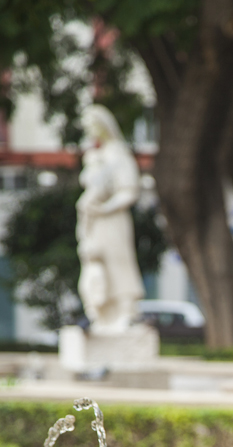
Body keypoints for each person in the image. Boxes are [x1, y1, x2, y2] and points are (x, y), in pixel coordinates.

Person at [76, 104, 144, 335]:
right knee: (94, 264)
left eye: (91, 125)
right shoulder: (95, 155)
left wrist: (104, 209)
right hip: (93, 221)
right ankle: (100, 313)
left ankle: (125, 312)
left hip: (112, 220)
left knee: (118, 264)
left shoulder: (117, 154)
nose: (89, 131)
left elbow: (129, 190)